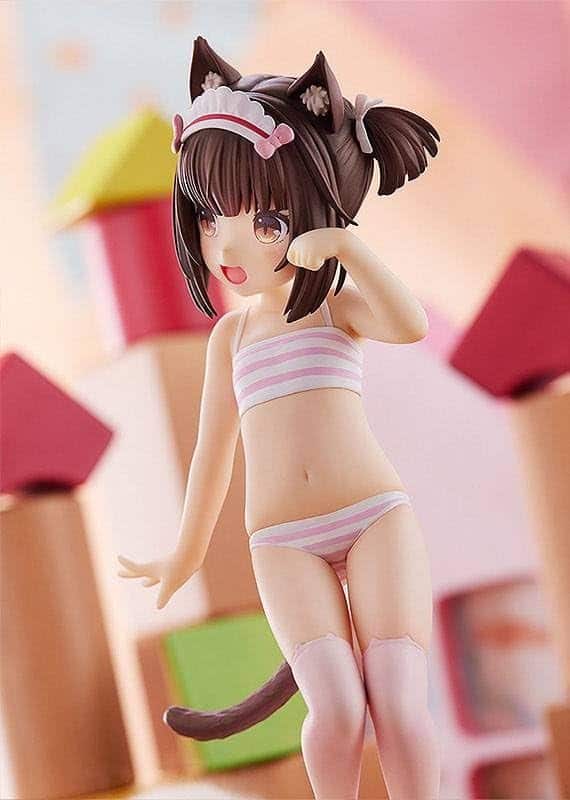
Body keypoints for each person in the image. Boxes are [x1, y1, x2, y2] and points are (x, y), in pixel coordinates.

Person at [118, 36, 441, 800]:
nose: (228, 243)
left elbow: (410, 325)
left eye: (264, 220)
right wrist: (184, 554)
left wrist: (350, 249)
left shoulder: (336, 309)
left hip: (374, 519)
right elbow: (212, 455)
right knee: (336, 711)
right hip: (283, 543)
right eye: (209, 218)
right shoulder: (231, 338)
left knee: (398, 702)